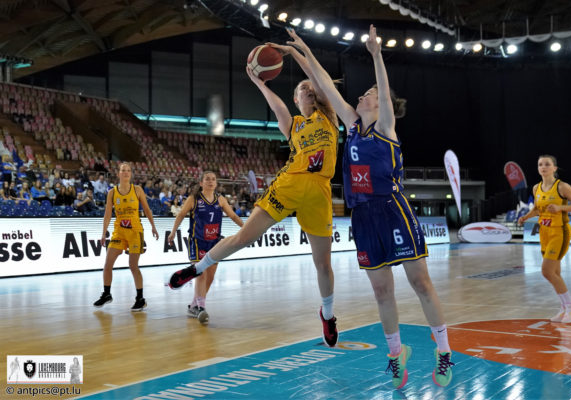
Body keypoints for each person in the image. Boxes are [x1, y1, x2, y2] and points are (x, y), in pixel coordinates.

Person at [280, 25, 455, 387]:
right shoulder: (352, 125)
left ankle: (443, 351)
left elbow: (385, 94)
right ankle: (396, 355)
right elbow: (324, 82)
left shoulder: (386, 127)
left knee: (420, 282)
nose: (362, 96)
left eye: (369, 94)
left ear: (380, 104)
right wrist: (302, 52)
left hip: (392, 210)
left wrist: (376, 55)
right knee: (381, 291)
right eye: (364, 93)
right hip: (363, 216)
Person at [168, 45, 341, 347]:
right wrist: (260, 83)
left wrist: (297, 52)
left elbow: (319, 79)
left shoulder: (328, 116)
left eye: (310, 88)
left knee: (323, 264)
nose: (308, 89)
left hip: (318, 192)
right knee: (243, 238)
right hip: (289, 184)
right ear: (296, 99)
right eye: (302, 89)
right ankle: (196, 269)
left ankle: (327, 314)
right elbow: (278, 108)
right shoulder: (294, 124)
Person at [167, 171, 243, 323]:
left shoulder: (220, 199)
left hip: (214, 242)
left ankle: (194, 305)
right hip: (197, 241)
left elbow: (233, 216)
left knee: (211, 276)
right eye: (207, 179)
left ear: (216, 183)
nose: (211, 181)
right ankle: (201, 307)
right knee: (200, 273)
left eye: (213, 179)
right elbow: (181, 215)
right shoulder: (194, 199)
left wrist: (246, 228)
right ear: (201, 183)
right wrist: (173, 232)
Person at [518, 155, 571, 323]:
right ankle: (564, 307)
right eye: (540, 164)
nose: (543, 167)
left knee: (547, 271)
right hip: (544, 232)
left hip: (559, 232)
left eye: (547, 164)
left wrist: (560, 207)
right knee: (555, 273)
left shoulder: (562, 187)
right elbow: (537, 209)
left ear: (554, 168)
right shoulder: (536, 188)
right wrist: (525, 217)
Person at [93, 162, 159, 311]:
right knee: (107, 265)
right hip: (119, 231)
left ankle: (140, 299)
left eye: (128, 170)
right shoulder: (112, 192)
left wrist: (153, 226)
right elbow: (107, 214)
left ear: (131, 174)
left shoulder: (137, 190)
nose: (126, 172)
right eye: (123, 170)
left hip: (135, 231)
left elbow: (147, 209)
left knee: (133, 265)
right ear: (118, 173)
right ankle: (107, 294)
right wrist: (103, 233)